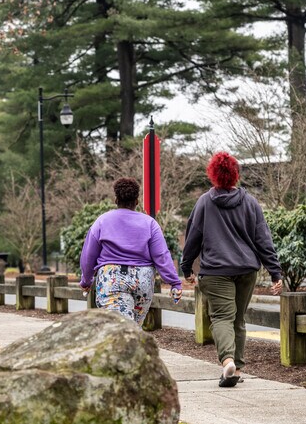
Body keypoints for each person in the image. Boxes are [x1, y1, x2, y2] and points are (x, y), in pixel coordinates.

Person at [181, 152, 283, 388]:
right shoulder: (250, 202)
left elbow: (193, 237)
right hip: (247, 269)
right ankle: (235, 368)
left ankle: (227, 360)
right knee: (238, 319)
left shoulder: (205, 202)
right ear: (235, 173)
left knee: (221, 318)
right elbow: (263, 239)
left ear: (213, 174)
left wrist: (186, 267)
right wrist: (275, 272)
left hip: (216, 271)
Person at [79, 177, 182, 325]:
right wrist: (174, 282)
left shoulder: (102, 221)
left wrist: (86, 280)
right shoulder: (150, 223)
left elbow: (88, 256)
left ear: (116, 200)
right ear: (137, 201)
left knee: (121, 330)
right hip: (143, 280)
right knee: (133, 327)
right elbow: (161, 256)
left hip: (112, 278)